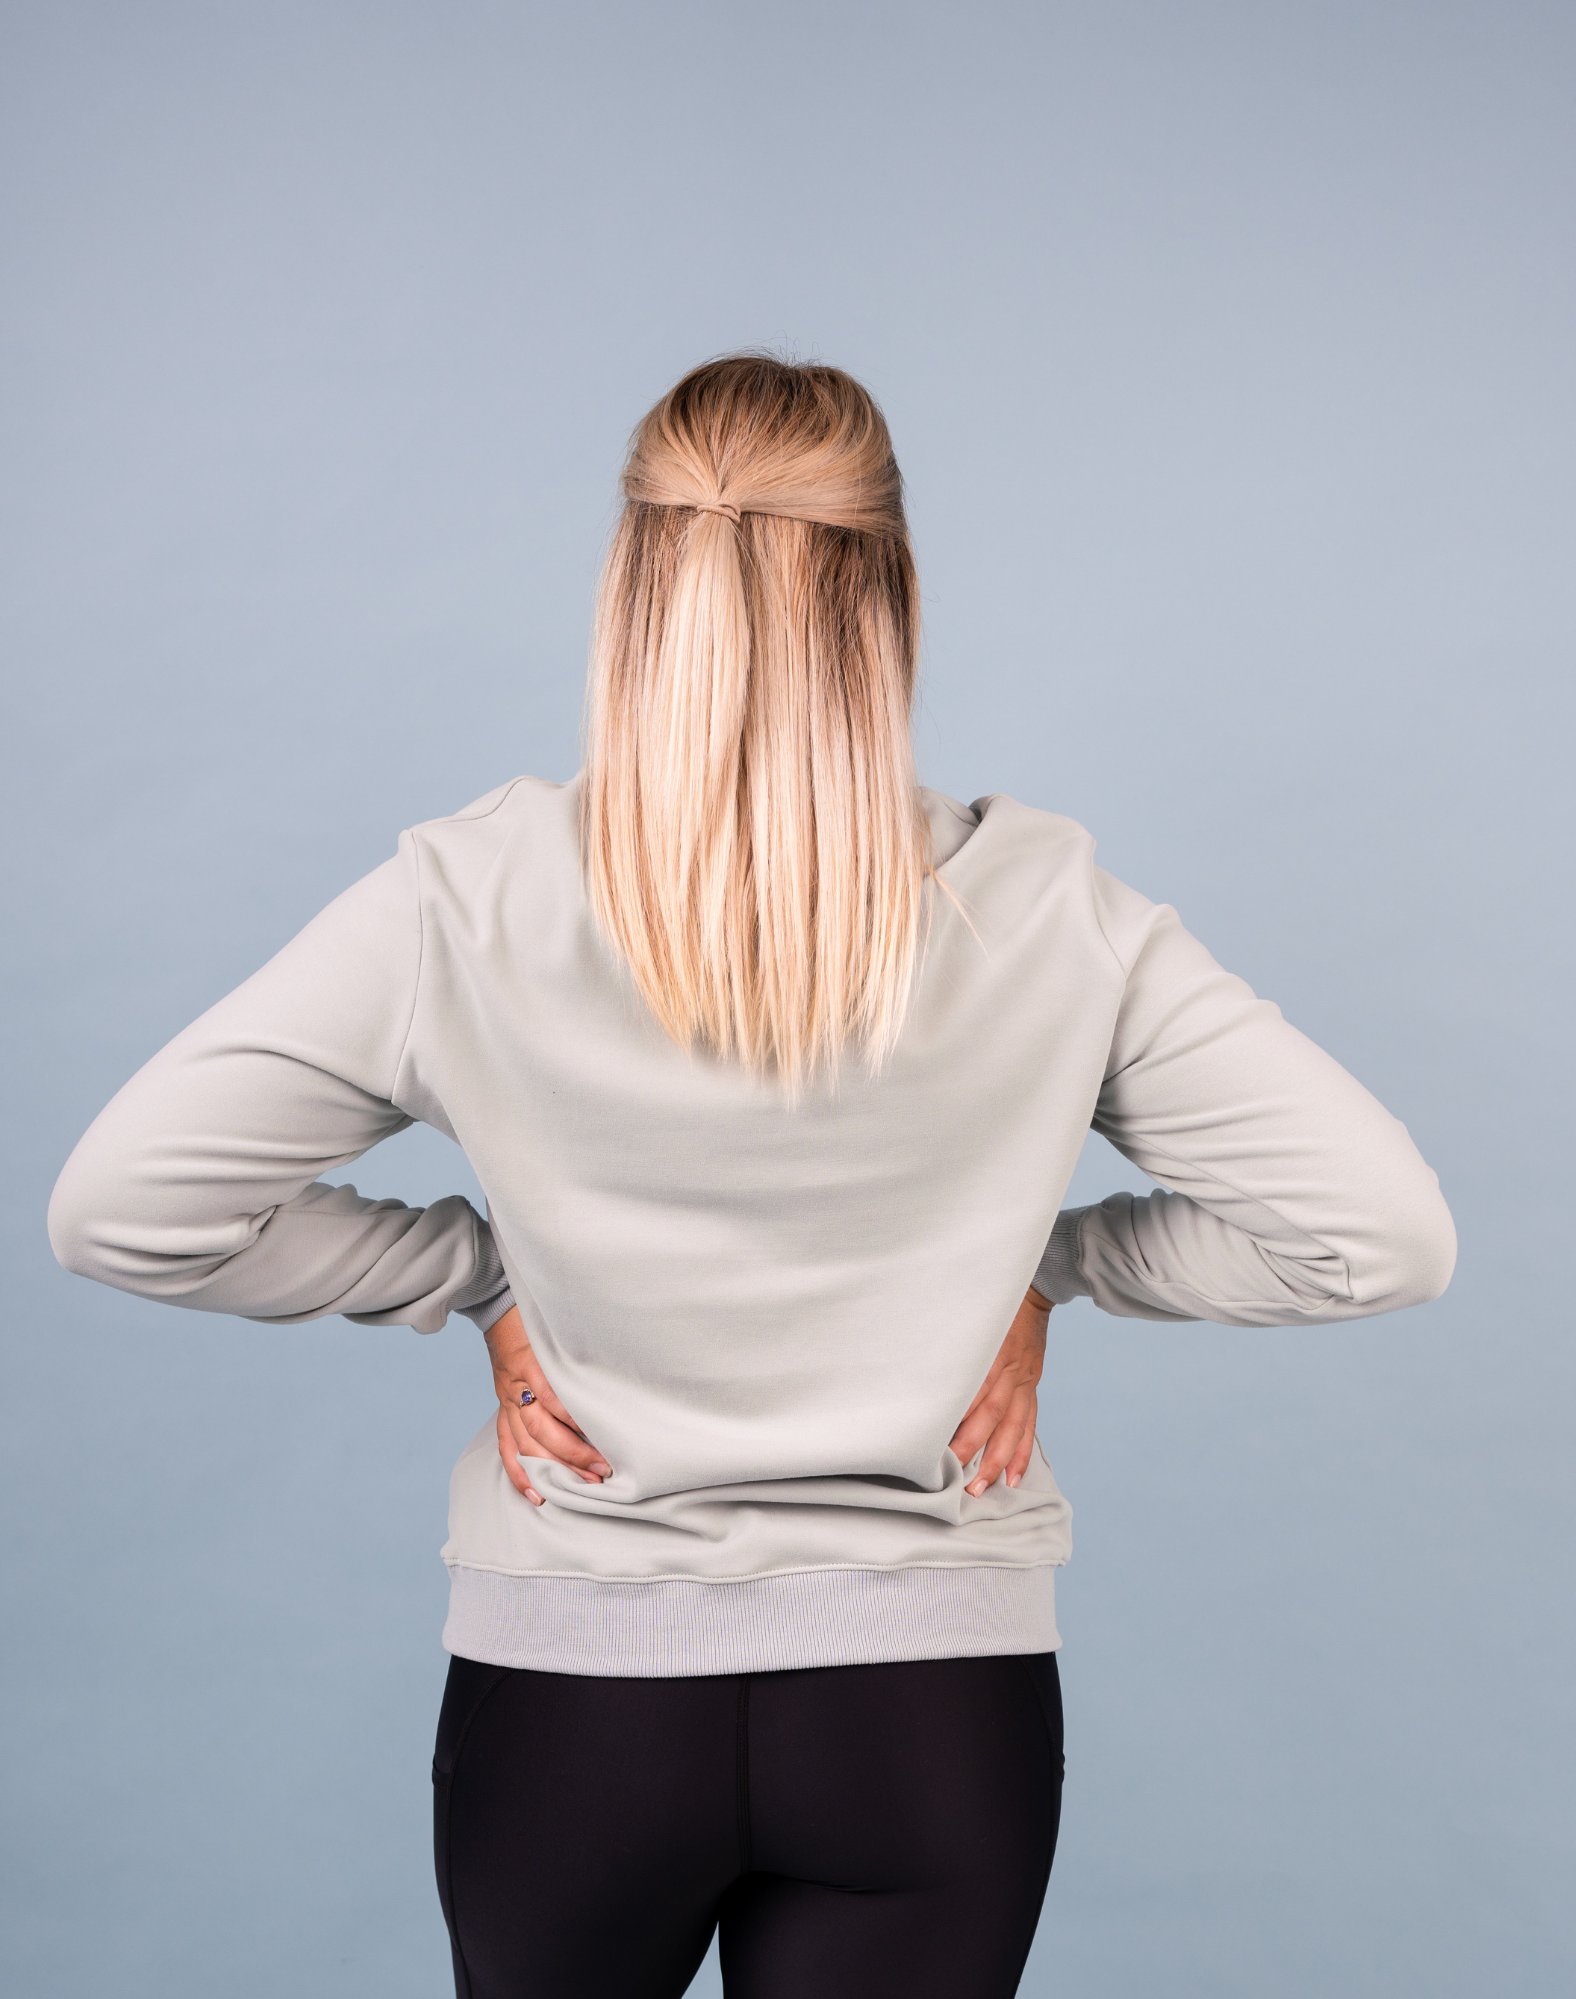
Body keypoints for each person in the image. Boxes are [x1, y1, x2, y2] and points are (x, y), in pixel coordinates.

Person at [48, 354, 1456, 1999]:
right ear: (898, 590)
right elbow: (1383, 1238)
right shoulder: (1054, 908)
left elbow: (122, 1209)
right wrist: (1044, 1268)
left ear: (633, 587)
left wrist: (476, 1276)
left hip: (575, 1707)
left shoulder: (465, 897)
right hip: (929, 1715)